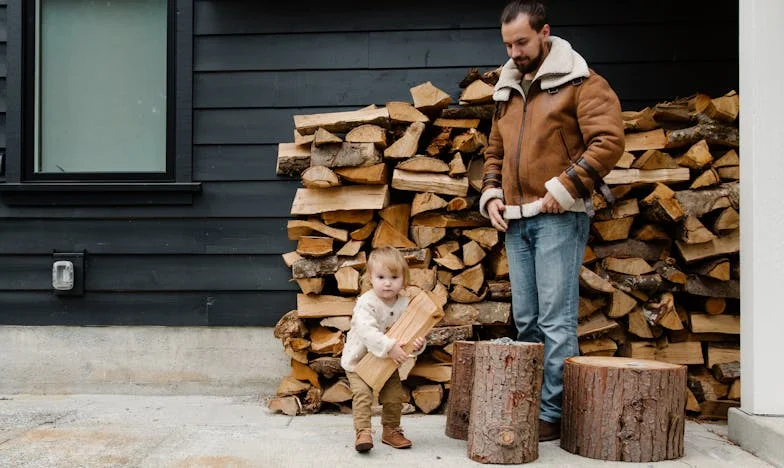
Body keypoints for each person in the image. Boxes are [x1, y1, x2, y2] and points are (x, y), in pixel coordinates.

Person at [478, 1, 625, 442]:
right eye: (507, 44)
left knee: (556, 322)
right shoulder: (506, 89)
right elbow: (494, 152)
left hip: (559, 218)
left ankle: (551, 414)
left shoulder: (583, 82)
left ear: (545, 33)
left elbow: (608, 141)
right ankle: (528, 404)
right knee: (526, 320)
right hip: (515, 222)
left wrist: (564, 188)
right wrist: (490, 194)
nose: (514, 52)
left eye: (521, 41)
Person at [340, 247, 426, 453]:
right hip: (358, 361)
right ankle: (363, 431)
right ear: (371, 278)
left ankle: (391, 430)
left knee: (394, 395)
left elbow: (411, 330)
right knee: (362, 394)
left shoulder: (405, 304)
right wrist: (389, 347)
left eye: (394, 277)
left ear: (403, 279)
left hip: (387, 362)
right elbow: (367, 332)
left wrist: (418, 344)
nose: (387, 282)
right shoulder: (366, 304)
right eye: (381, 277)